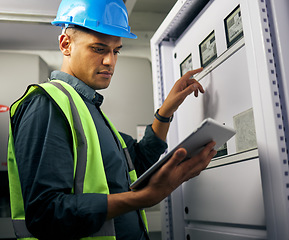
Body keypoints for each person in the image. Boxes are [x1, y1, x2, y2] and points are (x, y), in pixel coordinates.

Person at [7, 0, 217, 239]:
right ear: (66, 45)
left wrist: (166, 110)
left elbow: (136, 161)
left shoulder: (89, 109)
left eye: (116, 50)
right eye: (99, 49)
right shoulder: (46, 105)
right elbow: (46, 213)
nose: (110, 61)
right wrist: (143, 198)